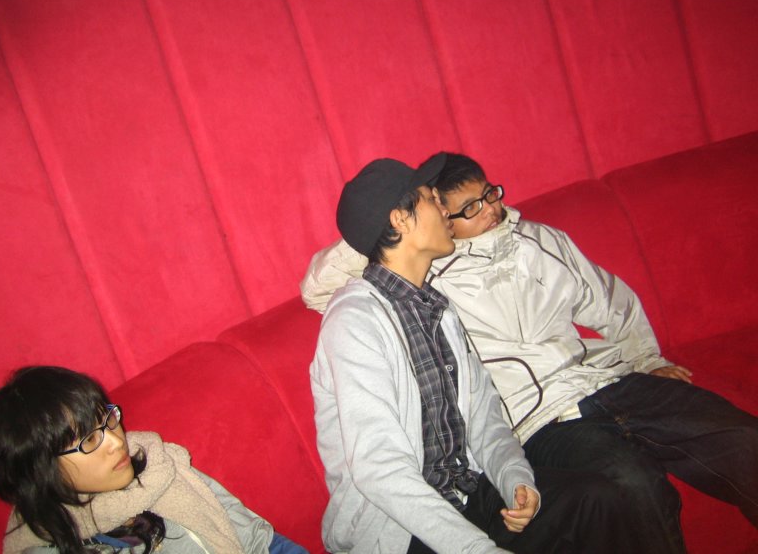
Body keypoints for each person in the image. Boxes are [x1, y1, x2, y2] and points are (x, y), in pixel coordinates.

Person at [302, 152, 758, 553]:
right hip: (510, 445)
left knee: (732, 440)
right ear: (403, 220)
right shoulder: (372, 311)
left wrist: (515, 477)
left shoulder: (440, 308)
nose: (487, 208)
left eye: (488, 195)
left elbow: (484, 417)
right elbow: (379, 468)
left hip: (589, 392)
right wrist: (378, 227)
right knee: (631, 485)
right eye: (439, 202)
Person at [0, 365, 308, 554]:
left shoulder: (158, 464)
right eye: (90, 440)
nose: (116, 441)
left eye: (108, 420)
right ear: (42, 469)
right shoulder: (48, 545)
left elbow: (260, 540)